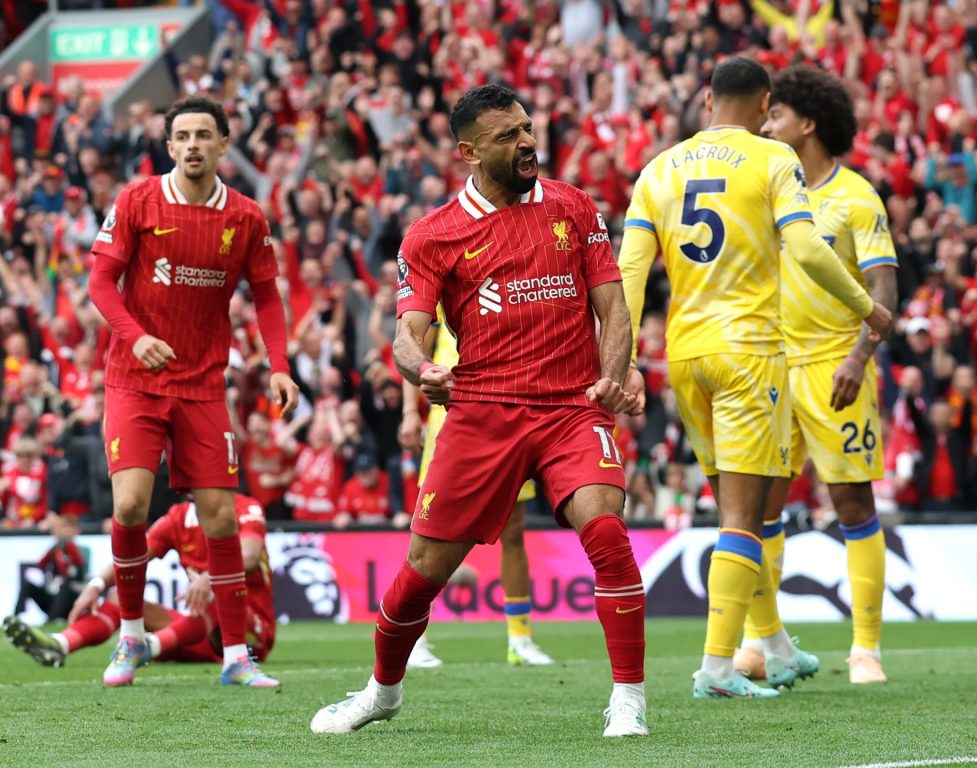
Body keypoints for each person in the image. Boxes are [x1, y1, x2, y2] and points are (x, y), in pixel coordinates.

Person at [310, 84, 648, 738]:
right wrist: (425, 370)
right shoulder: (433, 234)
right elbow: (407, 336)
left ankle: (629, 699)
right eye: (507, 136)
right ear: (468, 152)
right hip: (482, 414)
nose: (527, 143)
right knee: (421, 575)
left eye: (527, 128)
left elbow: (613, 308)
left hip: (571, 408)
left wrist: (611, 378)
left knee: (606, 532)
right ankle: (381, 692)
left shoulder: (574, 206)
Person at [618, 58, 893, 699]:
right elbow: (806, 248)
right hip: (751, 354)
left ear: (706, 99)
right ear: (765, 103)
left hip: (687, 356)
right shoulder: (773, 159)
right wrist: (867, 308)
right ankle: (718, 669)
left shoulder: (658, 168)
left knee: (743, 510)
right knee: (745, 517)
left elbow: (629, 272)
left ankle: (776, 647)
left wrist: (624, 359)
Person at [86, 95, 298, 688]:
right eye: (182, 136)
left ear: (224, 143)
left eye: (204, 134)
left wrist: (279, 366)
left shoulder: (246, 218)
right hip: (135, 379)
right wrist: (135, 337)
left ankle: (235, 657)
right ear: (169, 145)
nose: (193, 145)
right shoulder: (138, 200)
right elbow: (100, 280)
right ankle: (131, 637)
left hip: (203, 384)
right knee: (130, 505)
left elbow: (267, 295)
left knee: (220, 517)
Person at [732, 64, 900, 687]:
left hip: (835, 366)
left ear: (808, 123)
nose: (766, 125)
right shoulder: (769, 191)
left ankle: (865, 649)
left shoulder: (856, 197)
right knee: (762, 507)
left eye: (775, 115)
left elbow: (884, 292)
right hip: (772, 364)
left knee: (852, 503)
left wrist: (858, 359)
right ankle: (761, 643)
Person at [399, 317, 555, 669]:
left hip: (509, 409)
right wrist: (409, 412)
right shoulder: (443, 284)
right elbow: (414, 342)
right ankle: (413, 639)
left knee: (514, 532)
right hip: (451, 413)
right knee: (428, 532)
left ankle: (520, 638)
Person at [3, 494, 276, 680]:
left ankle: (145, 648)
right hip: (195, 633)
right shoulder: (178, 516)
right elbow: (133, 557)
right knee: (118, 597)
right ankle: (61, 644)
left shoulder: (245, 507)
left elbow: (250, 556)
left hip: (249, 634)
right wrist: (95, 585)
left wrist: (209, 578)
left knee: (216, 596)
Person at [8, 513, 85, 622]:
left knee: (66, 586)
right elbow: (41, 564)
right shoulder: (55, 549)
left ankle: (53, 619)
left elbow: (78, 568)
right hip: (52, 595)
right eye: (62, 528)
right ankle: (15, 618)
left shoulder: (80, 549)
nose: (65, 532)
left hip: (70, 598)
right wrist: (56, 548)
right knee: (28, 586)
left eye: (68, 528)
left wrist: (68, 545)